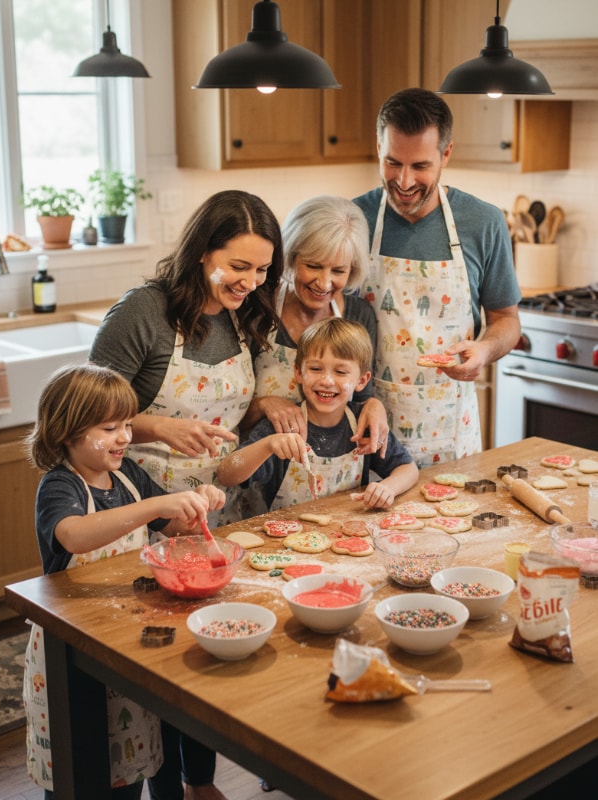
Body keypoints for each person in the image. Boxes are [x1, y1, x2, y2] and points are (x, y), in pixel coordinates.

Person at [89, 189, 284, 800]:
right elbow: (87, 413)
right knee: (153, 660)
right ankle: (160, 783)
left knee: (209, 647)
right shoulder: (142, 314)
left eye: (262, 269)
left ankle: (199, 781)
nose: (251, 282)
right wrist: (157, 426)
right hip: (141, 514)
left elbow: (236, 405)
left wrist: (270, 404)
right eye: (239, 266)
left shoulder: (245, 314)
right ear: (203, 254)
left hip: (217, 512)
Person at [22, 363, 226, 800]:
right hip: (71, 646)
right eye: (110, 427)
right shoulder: (60, 487)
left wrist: (196, 507)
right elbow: (74, 535)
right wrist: (152, 508)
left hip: (124, 638)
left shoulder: (129, 476)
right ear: (68, 432)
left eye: (129, 425)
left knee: (126, 763)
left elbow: (171, 530)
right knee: (82, 767)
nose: (125, 437)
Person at [353, 87, 521, 467]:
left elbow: (506, 320)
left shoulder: (484, 222)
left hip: (449, 435)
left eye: (420, 166)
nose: (405, 180)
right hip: (365, 433)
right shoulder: (353, 220)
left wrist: (484, 349)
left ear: (446, 153)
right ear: (378, 148)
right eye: (392, 162)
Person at [240, 194, 389, 463]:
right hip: (261, 473)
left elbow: (360, 396)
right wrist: (264, 405)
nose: (324, 282)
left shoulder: (358, 315)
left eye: (338, 271)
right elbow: (227, 412)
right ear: (291, 256)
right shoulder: (258, 307)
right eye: (313, 266)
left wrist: (374, 405)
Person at [217, 317, 418, 511]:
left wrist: (388, 488)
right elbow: (227, 475)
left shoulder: (364, 424)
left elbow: (408, 469)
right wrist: (268, 445)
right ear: (298, 372)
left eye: (340, 372)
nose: (327, 381)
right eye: (315, 369)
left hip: (350, 537)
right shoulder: (282, 427)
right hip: (287, 538)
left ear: (362, 380)